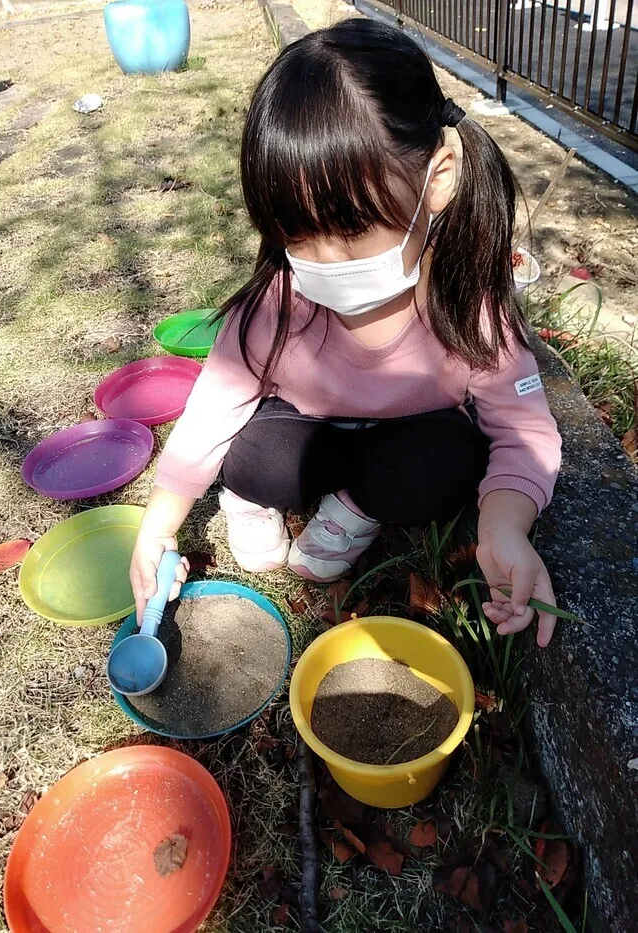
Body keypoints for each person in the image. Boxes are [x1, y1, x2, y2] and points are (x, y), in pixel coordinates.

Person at [130, 18, 562, 647]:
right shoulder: (280, 302)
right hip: (307, 431)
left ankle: (357, 507)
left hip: (407, 442)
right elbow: (211, 411)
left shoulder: (470, 306)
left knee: (447, 467)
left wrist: (503, 526)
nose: (321, 262)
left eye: (352, 231)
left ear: (435, 179)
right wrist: (158, 524)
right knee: (252, 460)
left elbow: (522, 430)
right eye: (296, 235)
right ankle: (256, 503)